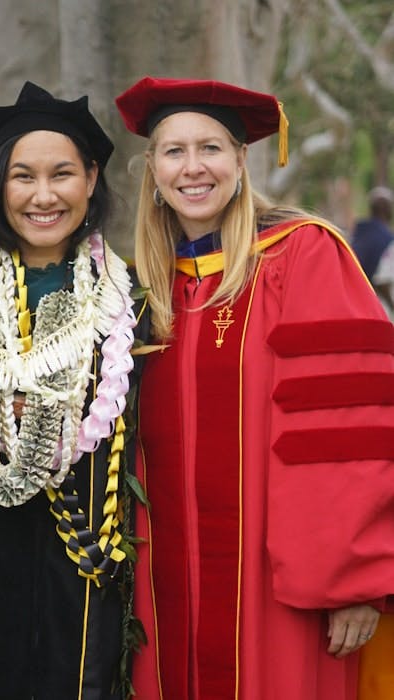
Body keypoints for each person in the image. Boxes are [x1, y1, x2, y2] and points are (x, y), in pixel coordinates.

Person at [114, 77, 394, 700]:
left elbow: (347, 427)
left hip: (282, 595)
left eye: (210, 148)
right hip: (162, 593)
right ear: (152, 169)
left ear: (241, 160)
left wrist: (353, 582)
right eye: (174, 151)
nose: (193, 168)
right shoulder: (141, 291)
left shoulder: (304, 257)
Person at [0, 81, 141, 699]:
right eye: (22, 176)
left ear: (90, 180)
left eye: (62, 174)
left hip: (88, 548)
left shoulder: (132, 303)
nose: (43, 195)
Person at [350, 186, 394, 319]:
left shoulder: (357, 236)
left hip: (357, 306)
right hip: (380, 310)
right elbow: (383, 282)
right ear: (388, 210)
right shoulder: (388, 240)